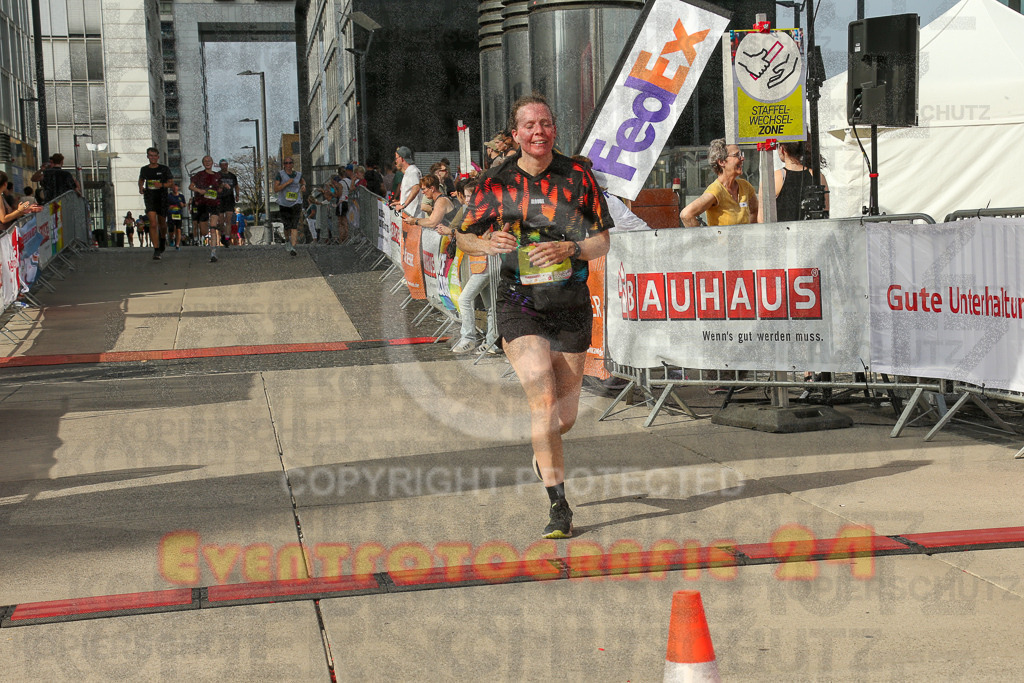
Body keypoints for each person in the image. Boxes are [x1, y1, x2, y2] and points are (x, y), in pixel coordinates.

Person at [457, 94, 613, 539]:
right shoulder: (496, 181)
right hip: (518, 303)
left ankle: (543, 452)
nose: (538, 132)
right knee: (542, 405)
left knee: (562, 419)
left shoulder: (578, 175)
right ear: (516, 133)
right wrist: (488, 245)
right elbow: (462, 235)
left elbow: (602, 241)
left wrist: (570, 248)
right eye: (529, 125)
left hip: (569, 303)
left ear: (554, 129)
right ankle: (559, 506)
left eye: (545, 123)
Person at [680, 139, 758, 227]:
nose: (742, 158)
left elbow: (755, 211)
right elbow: (686, 215)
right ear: (721, 162)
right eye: (737, 155)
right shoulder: (716, 190)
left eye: (741, 154)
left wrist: (751, 235)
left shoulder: (745, 186)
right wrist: (702, 239)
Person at [761, 140, 830, 223]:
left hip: (782, 234)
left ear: (782, 149)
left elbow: (762, 219)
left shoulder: (774, 178)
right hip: (811, 233)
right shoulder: (817, 176)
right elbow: (824, 214)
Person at [138, 147, 174, 260]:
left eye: (154, 156)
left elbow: (171, 183)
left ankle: (163, 238)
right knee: (153, 224)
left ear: (158, 157)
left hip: (162, 198)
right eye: (150, 155)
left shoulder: (164, 169)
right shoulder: (144, 169)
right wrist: (140, 187)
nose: (152, 158)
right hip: (150, 198)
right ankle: (156, 250)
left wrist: (162, 185)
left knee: (162, 224)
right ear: (147, 156)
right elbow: (141, 179)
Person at [189, 155, 223, 262]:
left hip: (214, 203)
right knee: (204, 231)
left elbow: (220, 188)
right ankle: (203, 232)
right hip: (202, 204)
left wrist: (222, 188)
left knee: (213, 227)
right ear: (203, 163)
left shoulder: (218, 175)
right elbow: (191, 186)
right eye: (205, 161)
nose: (207, 162)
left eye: (209, 161)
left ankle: (213, 253)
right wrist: (199, 191)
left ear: (212, 162)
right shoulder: (199, 175)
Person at [273, 156, 305, 256]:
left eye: (290, 163)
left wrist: (303, 185)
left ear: (293, 164)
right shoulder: (280, 175)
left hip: (296, 202)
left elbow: (302, 181)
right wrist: (287, 183)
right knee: (287, 226)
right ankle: (287, 241)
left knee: (294, 225)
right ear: (284, 165)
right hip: (284, 204)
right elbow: (276, 189)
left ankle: (293, 248)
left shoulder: (298, 174)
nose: (288, 165)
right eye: (286, 163)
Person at [389, 146, 422, 218]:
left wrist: (403, 205)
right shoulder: (408, 171)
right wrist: (399, 202)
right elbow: (408, 192)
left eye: (396, 158)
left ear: (402, 158)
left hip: (413, 213)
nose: (396, 161)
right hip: (409, 213)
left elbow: (416, 188)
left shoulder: (412, 171)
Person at [216, 159, 240, 244]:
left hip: (229, 199)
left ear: (227, 165)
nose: (224, 166)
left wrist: (237, 195)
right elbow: (215, 185)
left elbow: (236, 186)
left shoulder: (232, 176)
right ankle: (222, 234)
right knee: (221, 221)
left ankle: (227, 239)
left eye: (225, 165)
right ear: (220, 166)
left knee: (228, 220)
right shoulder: (217, 175)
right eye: (222, 165)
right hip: (220, 198)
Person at [167, 183, 186, 249]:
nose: (175, 189)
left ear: (178, 188)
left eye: (176, 188)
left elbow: (184, 204)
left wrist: (182, 205)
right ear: (172, 189)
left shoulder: (181, 196)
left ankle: (177, 244)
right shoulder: (169, 196)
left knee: (178, 229)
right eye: (174, 188)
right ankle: (171, 238)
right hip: (171, 215)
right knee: (171, 229)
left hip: (178, 214)